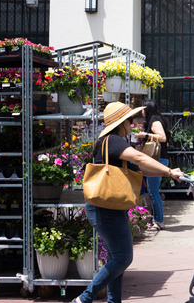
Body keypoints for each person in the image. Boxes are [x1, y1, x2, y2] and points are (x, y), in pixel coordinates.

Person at [72, 101, 184, 303]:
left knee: (117, 258)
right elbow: (140, 158)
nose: (133, 125)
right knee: (123, 258)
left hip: (110, 207)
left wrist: (168, 174)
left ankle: (114, 301)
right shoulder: (113, 141)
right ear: (121, 123)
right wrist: (168, 171)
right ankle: (83, 299)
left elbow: (140, 169)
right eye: (130, 120)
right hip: (105, 209)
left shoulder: (112, 142)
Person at [134, 99, 171, 230]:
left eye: (143, 109)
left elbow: (163, 138)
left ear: (148, 109)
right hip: (159, 159)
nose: (142, 112)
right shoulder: (156, 119)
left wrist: (145, 135)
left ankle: (159, 221)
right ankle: (152, 218)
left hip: (158, 159)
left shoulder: (154, 121)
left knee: (153, 191)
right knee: (149, 189)